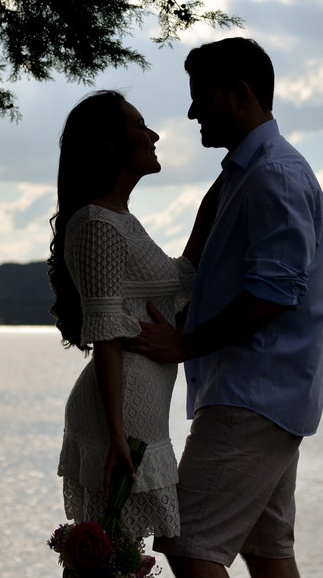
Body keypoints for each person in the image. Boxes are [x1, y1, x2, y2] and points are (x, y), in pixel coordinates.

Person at [129, 38, 323, 578]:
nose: (193, 111)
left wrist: (184, 344)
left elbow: (274, 293)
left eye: (202, 97)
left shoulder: (273, 175)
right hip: (266, 393)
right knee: (267, 553)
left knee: (188, 543)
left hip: (254, 394)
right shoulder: (247, 172)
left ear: (240, 94)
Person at [50, 90, 221, 540]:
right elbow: (107, 333)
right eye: (141, 126)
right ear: (112, 144)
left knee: (119, 557)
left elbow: (183, 282)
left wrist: (225, 184)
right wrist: (118, 437)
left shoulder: (120, 219)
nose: (155, 134)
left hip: (136, 409)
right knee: (112, 557)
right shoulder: (97, 224)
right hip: (121, 415)